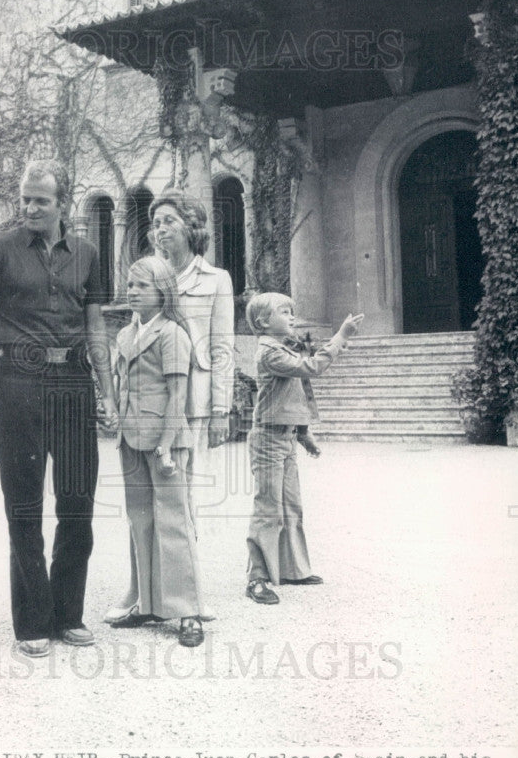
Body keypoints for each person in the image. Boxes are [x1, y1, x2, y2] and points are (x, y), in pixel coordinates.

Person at [0, 159, 116, 660]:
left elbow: (97, 328)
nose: (29, 207)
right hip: (18, 381)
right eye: (25, 199)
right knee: (23, 506)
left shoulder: (90, 254)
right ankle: (32, 620)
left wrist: (108, 393)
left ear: (62, 205)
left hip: (75, 382)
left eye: (40, 201)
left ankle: (69, 614)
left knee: (77, 504)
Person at [105, 191, 233, 624]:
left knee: (178, 501)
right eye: (155, 222)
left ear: (191, 227)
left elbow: (222, 348)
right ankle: (142, 590)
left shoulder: (215, 279)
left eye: (168, 222)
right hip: (142, 407)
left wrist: (221, 408)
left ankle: (183, 598)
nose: (158, 229)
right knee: (141, 505)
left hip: (188, 404)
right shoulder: (148, 277)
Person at [109, 256, 205, 647]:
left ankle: (188, 612)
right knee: (141, 520)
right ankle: (147, 603)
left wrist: (166, 444)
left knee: (173, 523)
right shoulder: (125, 335)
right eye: (130, 285)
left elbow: (178, 394)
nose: (132, 291)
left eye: (142, 286)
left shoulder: (172, 334)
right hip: (132, 438)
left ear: (162, 292)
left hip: (165, 441)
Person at [244, 293, 363, 605]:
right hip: (268, 439)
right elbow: (311, 368)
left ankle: (292, 570)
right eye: (284, 312)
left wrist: (303, 433)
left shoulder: (282, 347)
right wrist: (340, 336)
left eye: (293, 311)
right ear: (262, 322)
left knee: (291, 508)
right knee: (268, 509)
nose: (292, 317)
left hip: (284, 437)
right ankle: (256, 578)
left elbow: (295, 394)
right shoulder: (269, 352)